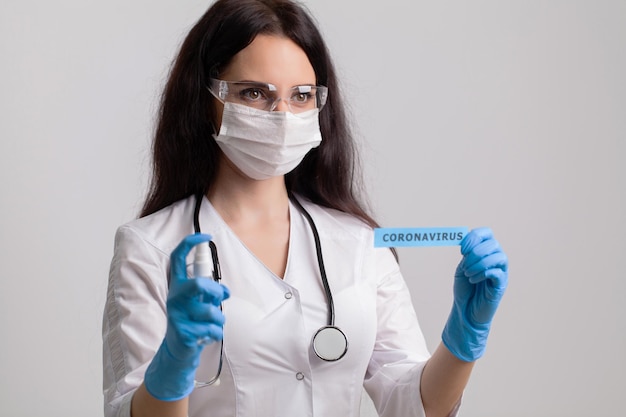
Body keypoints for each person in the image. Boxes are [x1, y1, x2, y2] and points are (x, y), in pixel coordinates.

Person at [102, 0, 509, 416]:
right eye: (255, 93)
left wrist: (465, 337)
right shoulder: (151, 249)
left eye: (301, 95)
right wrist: (171, 366)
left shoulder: (359, 242)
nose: (282, 115)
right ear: (205, 98)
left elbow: (409, 406)